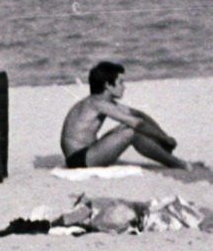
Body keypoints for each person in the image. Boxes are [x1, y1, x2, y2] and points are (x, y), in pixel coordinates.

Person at [61, 61, 199, 170]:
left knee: (129, 126)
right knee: (131, 132)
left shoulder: (100, 102)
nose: (124, 86)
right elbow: (137, 124)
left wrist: (164, 139)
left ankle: (170, 158)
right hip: (79, 159)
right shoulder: (97, 103)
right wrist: (165, 139)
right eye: (120, 82)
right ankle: (179, 164)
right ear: (108, 85)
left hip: (89, 151)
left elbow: (138, 115)